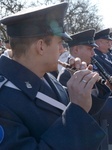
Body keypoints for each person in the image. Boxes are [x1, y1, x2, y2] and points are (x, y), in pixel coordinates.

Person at [0, 3, 106, 150]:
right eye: (59, 43)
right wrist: (77, 112)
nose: (62, 50)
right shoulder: (3, 97)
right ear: (41, 46)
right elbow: (74, 112)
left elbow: (70, 107)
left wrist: (86, 84)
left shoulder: (44, 76)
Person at [57, 29, 112, 150]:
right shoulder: (67, 75)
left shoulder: (86, 68)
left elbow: (93, 96)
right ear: (76, 50)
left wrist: (106, 88)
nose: (93, 54)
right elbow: (84, 111)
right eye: (90, 49)